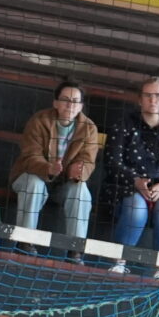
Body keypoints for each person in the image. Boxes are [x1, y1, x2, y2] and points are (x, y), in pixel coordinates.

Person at [96, 75, 159, 272]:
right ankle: (119, 263)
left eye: (158, 96)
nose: (153, 100)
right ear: (140, 99)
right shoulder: (123, 125)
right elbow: (112, 162)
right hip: (123, 188)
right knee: (136, 208)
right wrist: (135, 181)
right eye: (148, 95)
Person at [11, 79, 101, 238]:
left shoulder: (89, 128)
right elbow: (30, 156)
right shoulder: (39, 120)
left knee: (81, 190)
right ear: (56, 103)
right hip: (32, 177)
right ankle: (24, 241)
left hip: (64, 184)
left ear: (81, 106)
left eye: (75, 101)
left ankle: (75, 246)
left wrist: (79, 171)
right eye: (65, 100)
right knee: (34, 183)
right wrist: (48, 169)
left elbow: (88, 161)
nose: (70, 105)